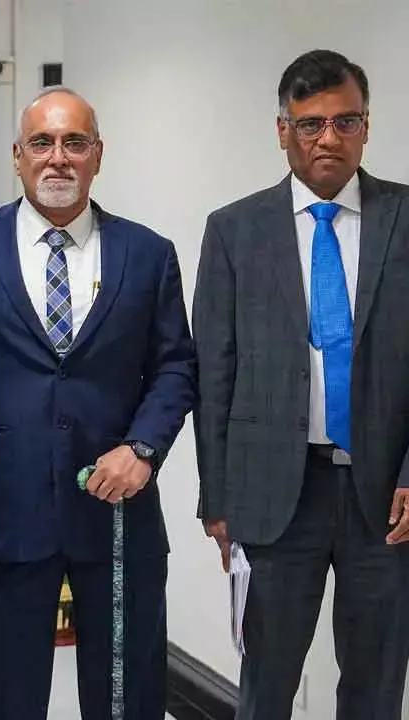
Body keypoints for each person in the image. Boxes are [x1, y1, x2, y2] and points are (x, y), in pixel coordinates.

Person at [0, 87, 196, 719]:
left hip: (118, 511)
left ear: (98, 155)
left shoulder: (147, 253)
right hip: (4, 511)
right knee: (4, 696)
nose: (58, 158)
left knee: (127, 695)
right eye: (42, 143)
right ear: (17, 155)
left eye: (74, 143)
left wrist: (142, 449)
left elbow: (175, 366)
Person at [193, 49, 409, 719]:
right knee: (267, 684)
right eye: (310, 123)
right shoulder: (234, 231)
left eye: (346, 121)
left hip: (386, 495)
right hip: (273, 493)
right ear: (283, 130)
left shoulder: (405, 217)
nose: (328, 138)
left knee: (376, 686)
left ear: (367, 126)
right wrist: (217, 496)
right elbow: (214, 372)